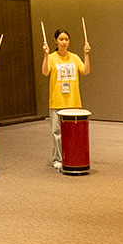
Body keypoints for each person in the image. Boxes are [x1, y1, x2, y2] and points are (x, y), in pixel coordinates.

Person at [41, 28, 91, 170]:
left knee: (73, 133)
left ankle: (72, 156)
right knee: (57, 133)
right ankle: (57, 159)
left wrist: (86, 55)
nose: (64, 42)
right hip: (57, 101)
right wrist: (45, 55)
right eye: (61, 39)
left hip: (73, 102)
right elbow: (45, 72)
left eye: (66, 39)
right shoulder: (52, 57)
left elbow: (85, 71)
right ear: (56, 41)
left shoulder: (74, 57)